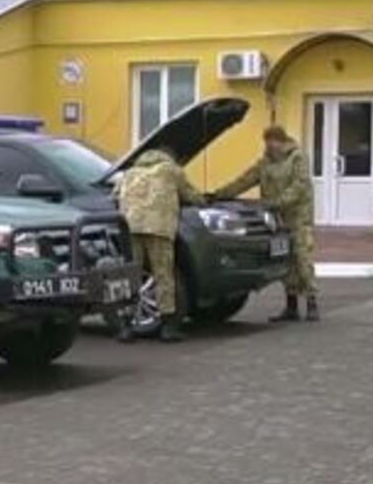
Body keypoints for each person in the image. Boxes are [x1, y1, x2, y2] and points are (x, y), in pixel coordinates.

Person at [215, 125, 319, 322]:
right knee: (286, 263)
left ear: (282, 140)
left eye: (273, 141)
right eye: (267, 142)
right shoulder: (265, 163)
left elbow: (300, 186)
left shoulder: (297, 158)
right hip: (277, 220)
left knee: (302, 259)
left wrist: (275, 202)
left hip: (298, 218)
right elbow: (245, 180)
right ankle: (291, 306)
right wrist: (220, 194)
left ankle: (312, 303)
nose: (270, 146)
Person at [114, 148, 204, 343]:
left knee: (130, 274)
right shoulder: (171, 170)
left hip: (131, 226)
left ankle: (125, 326)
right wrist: (204, 200)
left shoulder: (129, 173)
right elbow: (190, 195)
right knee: (163, 274)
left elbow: (114, 196)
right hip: (159, 227)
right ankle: (168, 327)